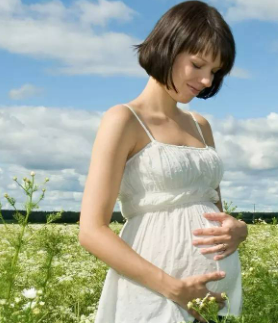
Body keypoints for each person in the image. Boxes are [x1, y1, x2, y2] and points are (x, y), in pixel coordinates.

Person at [78, 1, 247, 322]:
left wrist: (238, 230)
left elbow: (214, 210)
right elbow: (91, 230)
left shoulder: (201, 125)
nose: (207, 81)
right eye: (198, 64)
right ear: (167, 48)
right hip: (155, 293)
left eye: (215, 71)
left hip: (216, 298)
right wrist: (174, 288)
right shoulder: (124, 120)